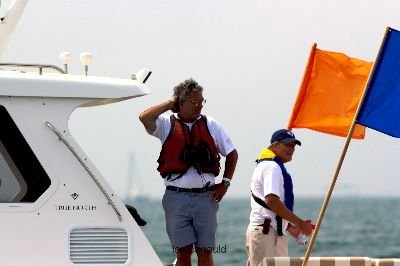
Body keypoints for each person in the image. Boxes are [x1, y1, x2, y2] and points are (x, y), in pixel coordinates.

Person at [139, 78, 238, 266]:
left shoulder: (211, 124)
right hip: (176, 198)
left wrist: (225, 183)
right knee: (182, 252)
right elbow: (144, 117)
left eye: (202, 101)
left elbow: (232, 153)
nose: (199, 106)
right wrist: (169, 103)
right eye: (194, 102)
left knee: (205, 251)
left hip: (205, 197)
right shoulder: (166, 124)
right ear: (180, 103)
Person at [246, 129, 313, 266]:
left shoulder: (267, 165)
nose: (292, 149)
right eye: (288, 144)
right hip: (266, 233)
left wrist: (289, 227)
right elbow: (271, 200)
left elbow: (269, 207)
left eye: (294, 146)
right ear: (275, 146)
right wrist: (300, 223)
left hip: (270, 232)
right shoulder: (272, 167)